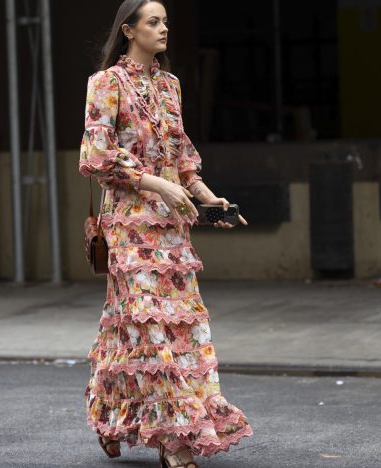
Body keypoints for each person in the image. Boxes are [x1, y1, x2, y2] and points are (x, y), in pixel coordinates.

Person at [78, 1, 253, 467]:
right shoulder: (107, 85)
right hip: (130, 227)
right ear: (129, 30)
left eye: (166, 21)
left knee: (171, 331)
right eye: (154, 22)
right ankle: (172, 443)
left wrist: (208, 197)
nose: (164, 29)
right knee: (149, 329)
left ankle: (112, 415)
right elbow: (95, 155)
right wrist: (157, 184)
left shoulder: (170, 86)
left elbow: (181, 155)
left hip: (172, 231)